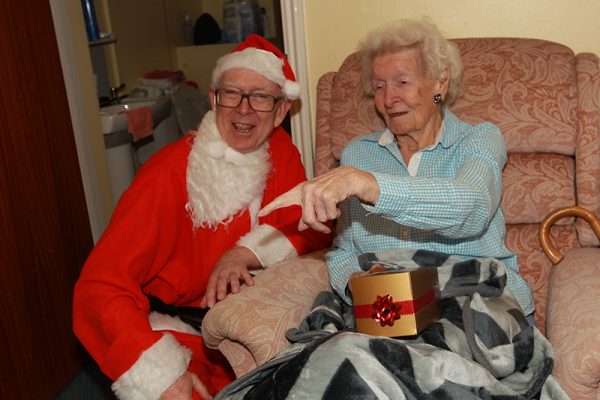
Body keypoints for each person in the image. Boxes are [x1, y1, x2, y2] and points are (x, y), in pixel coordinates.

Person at [73, 34, 330, 400]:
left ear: (280, 112)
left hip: (245, 320)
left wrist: (244, 253)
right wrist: (160, 375)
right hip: (177, 331)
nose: (244, 109)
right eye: (231, 94)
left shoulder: (281, 151)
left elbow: (306, 225)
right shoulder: (166, 175)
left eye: (260, 97)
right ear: (213, 99)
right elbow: (98, 288)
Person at [259, 19, 535, 322]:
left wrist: (367, 185)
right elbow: (343, 251)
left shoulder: (479, 138)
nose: (388, 99)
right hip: (393, 316)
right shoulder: (357, 154)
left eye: (402, 82)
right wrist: (360, 285)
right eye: (379, 86)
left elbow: (472, 206)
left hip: (480, 307)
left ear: (440, 83)